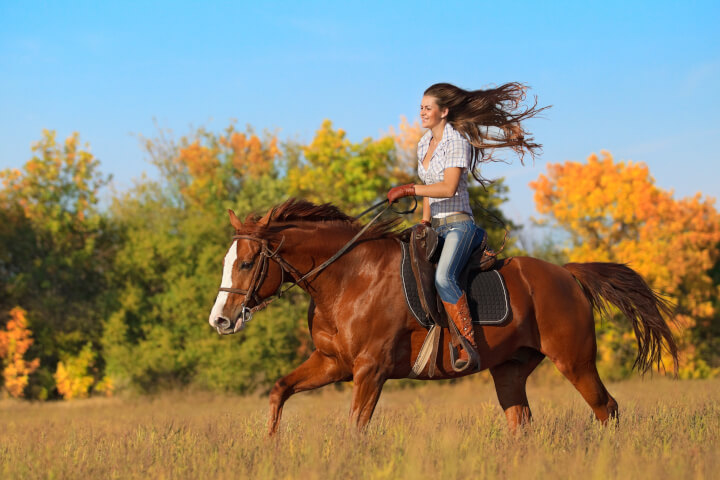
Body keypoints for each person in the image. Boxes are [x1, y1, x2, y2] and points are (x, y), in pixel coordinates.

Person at [387, 82, 546, 372]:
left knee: (445, 278)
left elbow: (446, 188)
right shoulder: (424, 144)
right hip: (435, 226)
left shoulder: (457, 141)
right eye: (420, 107)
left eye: (428, 108)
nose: (422, 112)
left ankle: (466, 344)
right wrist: (423, 222)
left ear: (444, 111)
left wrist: (410, 189)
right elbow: (428, 190)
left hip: (459, 226)